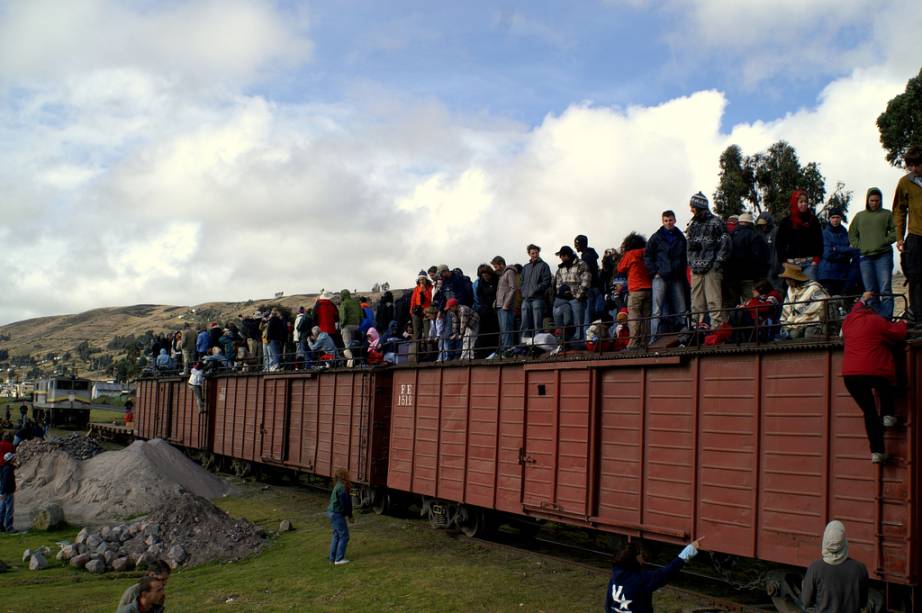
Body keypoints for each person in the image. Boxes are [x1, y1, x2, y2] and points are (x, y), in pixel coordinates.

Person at [842, 291, 908, 463]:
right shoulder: (877, 321)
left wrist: (863, 299)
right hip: (873, 370)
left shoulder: (848, 322)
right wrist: (903, 322)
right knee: (885, 385)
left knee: (869, 413)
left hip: (850, 375)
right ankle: (888, 415)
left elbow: (856, 309)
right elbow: (898, 333)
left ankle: (877, 452)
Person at [605, 538, 702, 613]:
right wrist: (689, 550)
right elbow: (667, 572)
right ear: (634, 559)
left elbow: (608, 604)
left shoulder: (615, 576)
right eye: (640, 555)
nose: (643, 557)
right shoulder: (642, 579)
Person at [802, 521, 868, 613]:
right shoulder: (860, 568)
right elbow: (863, 603)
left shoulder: (815, 568)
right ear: (845, 542)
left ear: (825, 542)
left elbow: (806, 602)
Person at [849, 188, 896, 317]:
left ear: (880, 201)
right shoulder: (860, 216)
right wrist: (860, 246)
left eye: (877, 200)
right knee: (870, 291)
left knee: (885, 289)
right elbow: (852, 234)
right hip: (865, 258)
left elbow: (895, 231)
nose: (874, 203)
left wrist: (884, 241)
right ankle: (876, 319)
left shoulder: (887, 214)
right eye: (872, 200)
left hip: (883, 255)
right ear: (867, 200)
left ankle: (886, 320)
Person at [686, 191, 731, 328]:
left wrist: (718, 262)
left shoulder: (716, 222)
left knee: (714, 300)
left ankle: (716, 328)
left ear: (698, 207)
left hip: (712, 268)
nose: (691, 209)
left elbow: (725, 243)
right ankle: (697, 328)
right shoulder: (692, 224)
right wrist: (691, 262)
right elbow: (688, 245)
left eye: (692, 206)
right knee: (696, 301)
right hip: (696, 269)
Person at [644, 210, 688, 343]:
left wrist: (680, 271)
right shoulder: (655, 237)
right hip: (660, 276)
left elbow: (684, 257)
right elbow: (648, 256)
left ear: (675, 220)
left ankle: (683, 338)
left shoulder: (681, 238)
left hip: (676, 276)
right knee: (656, 310)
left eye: (670, 220)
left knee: (681, 308)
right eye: (666, 221)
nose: (668, 223)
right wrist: (655, 272)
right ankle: (653, 338)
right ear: (662, 222)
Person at [894, 145, 922, 325]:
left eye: (916, 165)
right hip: (916, 235)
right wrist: (899, 237)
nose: (913, 169)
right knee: (916, 278)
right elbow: (899, 210)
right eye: (910, 166)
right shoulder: (905, 182)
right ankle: (919, 319)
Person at [776, 190, 823, 280]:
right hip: (791, 265)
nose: (804, 204)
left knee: (810, 290)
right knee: (793, 292)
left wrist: (816, 259)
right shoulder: (786, 222)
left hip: (809, 263)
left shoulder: (813, 221)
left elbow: (819, 241)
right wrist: (783, 261)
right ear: (795, 203)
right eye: (801, 202)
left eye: (806, 202)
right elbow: (780, 243)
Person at [726, 212, 770, 306]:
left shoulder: (729, 235)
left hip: (732, 277)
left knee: (734, 305)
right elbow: (759, 257)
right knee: (750, 304)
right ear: (750, 223)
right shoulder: (755, 236)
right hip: (749, 277)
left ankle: (736, 320)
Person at [617, 233, 652, 350]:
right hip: (649, 289)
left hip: (636, 290)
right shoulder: (647, 252)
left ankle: (633, 344)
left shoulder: (630, 254)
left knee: (634, 317)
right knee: (646, 317)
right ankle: (645, 342)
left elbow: (620, 268)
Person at [779, 263, 830, 339]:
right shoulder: (790, 289)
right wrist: (786, 323)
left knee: (808, 335)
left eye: (788, 279)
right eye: (786, 279)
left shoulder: (813, 287)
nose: (787, 282)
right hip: (795, 322)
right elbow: (787, 307)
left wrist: (803, 315)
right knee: (793, 335)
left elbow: (820, 305)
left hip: (813, 321)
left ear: (794, 279)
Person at [553, 245, 591, 345]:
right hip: (564, 299)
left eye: (562, 256)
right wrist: (561, 294)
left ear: (567, 255)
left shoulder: (581, 264)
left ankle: (578, 342)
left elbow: (586, 281)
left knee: (578, 320)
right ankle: (561, 338)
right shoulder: (561, 268)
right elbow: (558, 283)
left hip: (577, 299)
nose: (560, 258)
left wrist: (578, 296)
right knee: (556, 312)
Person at [819, 207, 859, 297]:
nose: (835, 220)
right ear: (829, 218)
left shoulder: (845, 233)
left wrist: (836, 249)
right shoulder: (824, 234)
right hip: (827, 275)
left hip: (843, 275)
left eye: (837, 217)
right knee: (829, 305)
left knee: (843, 303)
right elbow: (828, 254)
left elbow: (853, 251)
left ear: (841, 218)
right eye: (833, 217)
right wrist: (846, 251)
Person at [520, 244, 552, 338]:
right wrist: (523, 290)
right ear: (529, 254)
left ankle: (538, 343)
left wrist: (535, 290)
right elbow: (521, 281)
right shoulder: (525, 267)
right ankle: (525, 343)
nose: (534, 255)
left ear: (539, 253)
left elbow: (546, 281)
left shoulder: (544, 265)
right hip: (526, 298)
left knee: (537, 322)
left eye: (536, 253)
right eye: (532, 253)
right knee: (524, 323)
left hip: (538, 298)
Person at [492, 256, 520, 354]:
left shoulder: (509, 272)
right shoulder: (501, 275)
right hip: (500, 305)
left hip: (506, 306)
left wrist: (506, 303)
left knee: (507, 328)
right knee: (503, 329)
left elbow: (513, 288)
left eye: (496, 266)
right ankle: (504, 349)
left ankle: (508, 349)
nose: (495, 269)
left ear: (501, 264)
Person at [327, 467, 355, 565]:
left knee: (336, 535)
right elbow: (346, 503)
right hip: (336, 513)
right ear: (344, 476)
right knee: (344, 536)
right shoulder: (342, 487)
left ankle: (332, 558)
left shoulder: (338, 485)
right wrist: (350, 515)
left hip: (331, 512)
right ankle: (339, 559)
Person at [574, 235, 601, 328]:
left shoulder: (586, 257)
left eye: (576, 244)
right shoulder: (589, 255)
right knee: (592, 314)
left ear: (580, 244)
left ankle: (588, 337)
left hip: (590, 288)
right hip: (595, 287)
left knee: (589, 315)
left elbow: (586, 275)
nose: (575, 246)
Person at [339, 290, 362, 367]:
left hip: (347, 327)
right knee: (356, 344)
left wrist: (341, 325)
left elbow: (343, 317)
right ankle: (359, 361)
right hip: (357, 326)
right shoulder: (356, 303)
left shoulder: (343, 304)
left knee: (347, 346)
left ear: (343, 295)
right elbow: (361, 316)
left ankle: (351, 363)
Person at [0, 451, 15, 532]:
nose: (14, 458)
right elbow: (5, 481)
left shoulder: (5, 467)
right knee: (9, 510)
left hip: (4, 491)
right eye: (13, 458)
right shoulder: (8, 469)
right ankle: (9, 527)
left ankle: (1, 526)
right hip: (8, 492)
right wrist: (3, 493)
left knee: (2, 509)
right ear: (10, 459)